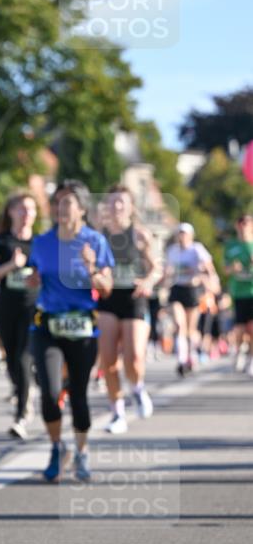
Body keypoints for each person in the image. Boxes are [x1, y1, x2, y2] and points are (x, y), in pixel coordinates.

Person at [29, 180, 114, 482]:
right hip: (48, 324)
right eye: (57, 203)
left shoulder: (95, 242)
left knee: (78, 395)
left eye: (67, 203)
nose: (60, 209)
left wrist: (91, 267)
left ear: (81, 209)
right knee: (50, 394)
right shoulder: (41, 242)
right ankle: (56, 447)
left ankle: (82, 450)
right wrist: (31, 278)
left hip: (82, 326)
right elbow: (33, 272)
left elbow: (106, 290)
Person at [96, 185, 158, 434]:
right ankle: (117, 412)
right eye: (112, 202)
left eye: (122, 202)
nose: (117, 206)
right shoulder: (98, 236)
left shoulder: (140, 235)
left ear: (131, 207)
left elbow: (156, 267)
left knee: (134, 359)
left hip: (134, 298)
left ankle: (138, 388)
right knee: (108, 361)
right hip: (108, 299)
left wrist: (148, 281)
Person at [0, 191, 38, 439]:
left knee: (24, 358)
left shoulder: (40, 243)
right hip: (7, 307)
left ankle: (21, 415)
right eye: (22, 209)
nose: (26, 214)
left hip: (32, 309)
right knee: (12, 360)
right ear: (11, 212)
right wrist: (10, 266)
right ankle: (25, 393)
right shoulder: (1, 242)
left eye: (31, 209)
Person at [162, 223, 219, 376]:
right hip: (176, 289)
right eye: (180, 233)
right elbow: (167, 271)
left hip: (192, 290)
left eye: (185, 234)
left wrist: (208, 279)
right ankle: (181, 359)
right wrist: (163, 281)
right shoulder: (172, 250)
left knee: (190, 329)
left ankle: (191, 355)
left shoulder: (197, 249)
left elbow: (209, 268)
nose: (182, 237)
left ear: (191, 235)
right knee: (179, 325)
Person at [224, 213, 253, 376]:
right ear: (237, 226)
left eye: (247, 223)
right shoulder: (231, 246)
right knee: (241, 329)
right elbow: (226, 269)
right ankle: (240, 351)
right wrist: (232, 269)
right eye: (241, 223)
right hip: (239, 292)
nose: (243, 226)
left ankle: (251, 359)